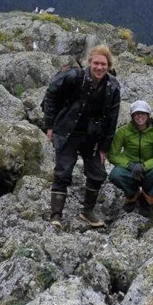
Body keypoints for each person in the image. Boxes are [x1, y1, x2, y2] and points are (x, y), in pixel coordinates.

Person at [43, 45, 121, 228]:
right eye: (96, 63)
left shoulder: (113, 86)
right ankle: (56, 216)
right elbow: (51, 95)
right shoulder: (73, 77)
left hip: (93, 138)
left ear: (109, 65)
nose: (99, 67)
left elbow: (112, 118)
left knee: (97, 174)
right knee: (63, 172)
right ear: (89, 62)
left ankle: (87, 212)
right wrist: (49, 125)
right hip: (68, 132)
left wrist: (104, 147)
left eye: (103, 64)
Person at [108, 100, 153, 217]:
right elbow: (113, 155)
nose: (140, 116)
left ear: (148, 115)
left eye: (143, 113)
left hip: (149, 169)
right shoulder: (123, 132)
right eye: (136, 113)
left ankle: (147, 198)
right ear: (132, 116)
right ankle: (132, 195)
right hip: (129, 168)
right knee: (115, 175)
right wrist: (130, 165)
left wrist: (143, 167)